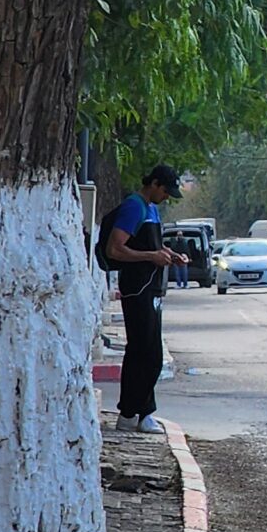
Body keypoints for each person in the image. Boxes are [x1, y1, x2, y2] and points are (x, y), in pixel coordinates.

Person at [102, 166, 182, 433]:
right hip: (138, 288)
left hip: (152, 288)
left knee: (149, 353)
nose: (166, 197)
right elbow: (116, 248)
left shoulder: (151, 209)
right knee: (145, 352)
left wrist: (168, 254)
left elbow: (150, 245)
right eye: (165, 191)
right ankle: (135, 412)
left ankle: (137, 411)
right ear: (154, 184)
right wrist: (150, 257)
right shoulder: (134, 207)